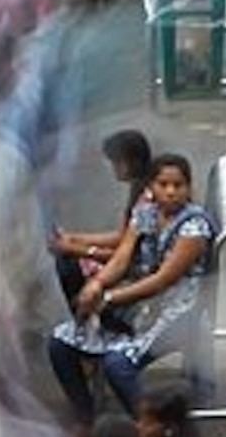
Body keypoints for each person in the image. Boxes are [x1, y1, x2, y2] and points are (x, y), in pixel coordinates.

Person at [50, 153, 214, 420]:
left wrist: (111, 297)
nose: (171, 192)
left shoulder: (194, 227)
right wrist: (98, 284)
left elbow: (163, 279)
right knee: (60, 343)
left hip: (179, 312)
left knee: (119, 364)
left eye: (178, 185)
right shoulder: (146, 214)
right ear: (151, 187)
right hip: (140, 309)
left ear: (189, 187)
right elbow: (122, 258)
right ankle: (86, 419)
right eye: (163, 184)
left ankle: (153, 430)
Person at [52, 129, 153, 306]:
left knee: (69, 267)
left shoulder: (147, 201)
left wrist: (78, 249)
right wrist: (75, 238)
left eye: (116, 162)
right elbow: (122, 236)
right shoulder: (137, 191)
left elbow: (126, 256)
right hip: (128, 260)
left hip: (138, 268)